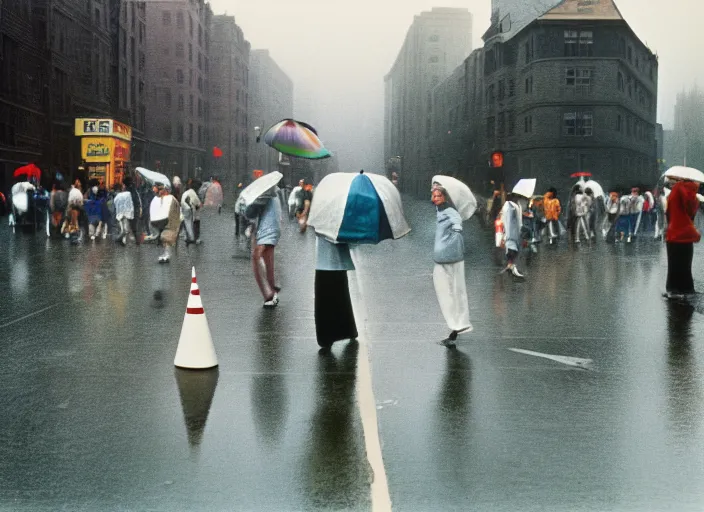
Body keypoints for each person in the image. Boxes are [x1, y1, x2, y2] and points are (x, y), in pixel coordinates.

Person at [431, 185, 472, 344]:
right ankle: (456, 325)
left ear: (445, 197)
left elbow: (457, 222)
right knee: (447, 290)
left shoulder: (450, 211)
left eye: (438, 196)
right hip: (442, 257)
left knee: (454, 291)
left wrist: (456, 230)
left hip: (450, 257)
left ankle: (458, 325)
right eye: (434, 196)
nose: (435, 199)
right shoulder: (440, 211)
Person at [314, 235, 358, 351]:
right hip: (332, 248)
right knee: (339, 288)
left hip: (327, 253)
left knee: (328, 288)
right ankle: (347, 329)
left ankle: (329, 335)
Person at [245, 185, 282, 307]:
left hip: (268, 231)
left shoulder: (266, 195)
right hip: (271, 230)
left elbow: (250, 212)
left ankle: (270, 293)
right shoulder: (275, 195)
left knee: (258, 256)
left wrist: (249, 205)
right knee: (266, 259)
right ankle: (272, 290)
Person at [665, 178, 701, 298]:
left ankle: (672, 289)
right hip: (686, 234)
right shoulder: (694, 195)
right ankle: (686, 289)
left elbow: (668, 212)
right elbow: (691, 213)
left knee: (673, 264)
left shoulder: (675, 190)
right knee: (685, 265)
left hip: (673, 233)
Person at [149, 183, 181, 263]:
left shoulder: (171, 199)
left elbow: (174, 212)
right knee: (164, 239)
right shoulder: (159, 199)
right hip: (162, 222)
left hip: (170, 223)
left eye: (160, 190)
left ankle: (167, 255)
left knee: (166, 237)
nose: (158, 192)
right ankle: (166, 254)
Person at [500, 192, 525, 277]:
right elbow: (511, 221)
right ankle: (511, 266)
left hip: (511, 232)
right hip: (512, 232)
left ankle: (510, 265)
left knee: (512, 249)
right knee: (512, 249)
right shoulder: (511, 206)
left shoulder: (511, 206)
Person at [181, 178, 202, 244]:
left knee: (186, 224)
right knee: (195, 224)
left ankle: (187, 237)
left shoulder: (186, 192)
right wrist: (199, 206)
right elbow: (198, 204)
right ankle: (194, 239)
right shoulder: (193, 193)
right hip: (191, 211)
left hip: (184, 210)